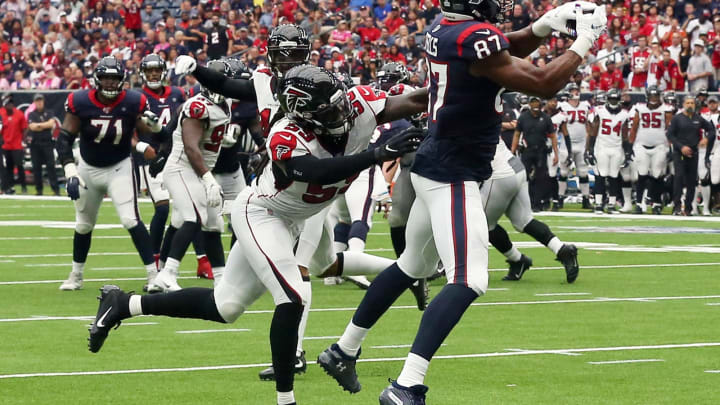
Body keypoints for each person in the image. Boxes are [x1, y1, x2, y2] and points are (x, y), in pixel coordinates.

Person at [317, 1, 605, 403]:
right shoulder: (474, 37)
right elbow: (542, 82)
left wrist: (541, 28)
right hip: (453, 172)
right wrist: (586, 40)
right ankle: (407, 385)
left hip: (436, 162)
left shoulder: (446, 28)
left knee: (411, 266)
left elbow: (498, 55)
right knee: (469, 279)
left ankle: (343, 350)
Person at [86, 65, 427, 405]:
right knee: (292, 297)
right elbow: (316, 171)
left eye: (340, 102)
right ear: (305, 114)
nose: (342, 111)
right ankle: (285, 400)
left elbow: (415, 99)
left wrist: (461, 91)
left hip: (297, 217)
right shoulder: (287, 134)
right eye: (330, 109)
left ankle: (124, 304)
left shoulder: (358, 102)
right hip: (263, 214)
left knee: (225, 306)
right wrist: (375, 154)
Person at [56, 57, 162, 291]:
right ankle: (76, 275)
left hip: (119, 167)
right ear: (97, 79)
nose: (110, 83)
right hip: (87, 167)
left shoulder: (134, 101)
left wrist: (153, 126)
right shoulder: (80, 101)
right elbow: (64, 138)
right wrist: (70, 169)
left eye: (114, 79)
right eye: (106, 78)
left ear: (122, 80)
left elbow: (147, 130)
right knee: (83, 224)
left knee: (130, 219)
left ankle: (154, 276)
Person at [147, 59, 232, 293]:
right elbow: (191, 147)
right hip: (183, 168)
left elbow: (206, 140)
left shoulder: (225, 105)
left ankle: (221, 281)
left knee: (214, 225)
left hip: (200, 170)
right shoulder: (198, 106)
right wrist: (208, 179)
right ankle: (168, 273)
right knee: (193, 218)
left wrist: (223, 139)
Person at [482, 136, 578, 282]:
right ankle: (562, 249)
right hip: (515, 166)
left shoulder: (460, 124)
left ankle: (516, 260)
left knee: (483, 224)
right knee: (523, 220)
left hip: (499, 173)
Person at [667, 94, 716, 215]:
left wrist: (706, 139)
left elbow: (712, 130)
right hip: (680, 153)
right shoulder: (677, 118)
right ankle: (677, 206)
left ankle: (688, 208)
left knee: (691, 182)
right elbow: (670, 135)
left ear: (695, 105)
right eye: (688, 103)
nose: (690, 105)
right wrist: (681, 147)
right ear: (683, 105)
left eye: (692, 103)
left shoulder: (698, 118)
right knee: (678, 178)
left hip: (694, 153)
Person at [630, 86, 674, 214]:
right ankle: (639, 203)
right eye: (652, 96)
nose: (654, 99)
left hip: (660, 145)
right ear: (647, 96)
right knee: (642, 174)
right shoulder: (640, 108)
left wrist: (670, 147)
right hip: (641, 145)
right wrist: (630, 146)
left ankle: (656, 204)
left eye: (656, 96)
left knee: (657, 175)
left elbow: (669, 129)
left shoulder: (666, 109)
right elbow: (634, 127)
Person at [587, 89, 631, 214]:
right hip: (602, 147)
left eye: (615, 99)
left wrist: (627, 151)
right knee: (601, 175)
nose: (613, 101)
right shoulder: (600, 112)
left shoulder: (624, 114)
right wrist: (590, 148)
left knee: (614, 176)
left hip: (617, 148)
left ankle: (611, 204)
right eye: (611, 99)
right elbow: (593, 131)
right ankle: (599, 203)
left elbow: (625, 134)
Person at [511, 95, 557, 211]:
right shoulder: (523, 117)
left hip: (541, 150)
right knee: (524, 177)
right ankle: (527, 202)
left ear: (540, 103)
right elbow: (517, 134)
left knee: (541, 177)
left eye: (537, 102)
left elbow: (553, 136)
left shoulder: (546, 118)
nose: (535, 105)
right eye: (533, 102)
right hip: (527, 150)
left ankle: (538, 202)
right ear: (530, 104)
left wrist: (556, 153)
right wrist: (513, 151)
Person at [558, 82, 593, 208]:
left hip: (582, 143)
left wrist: (589, 145)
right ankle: (560, 199)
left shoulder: (585, 106)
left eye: (576, 90)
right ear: (568, 93)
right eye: (573, 91)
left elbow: (588, 126)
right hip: (566, 144)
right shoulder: (562, 106)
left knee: (583, 172)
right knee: (563, 172)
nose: (576, 93)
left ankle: (586, 199)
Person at [26, 94, 59, 196]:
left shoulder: (49, 112)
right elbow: (32, 127)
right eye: (37, 101)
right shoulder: (32, 114)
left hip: (47, 143)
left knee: (51, 166)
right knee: (36, 167)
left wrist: (39, 125)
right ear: (34, 102)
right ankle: (39, 190)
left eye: (40, 100)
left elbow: (51, 124)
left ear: (43, 101)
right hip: (35, 143)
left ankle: (55, 190)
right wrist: (44, 125)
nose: (39, 102)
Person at [545, 95, 572, 211]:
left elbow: (565, 134)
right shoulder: (540, 114)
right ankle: (543, 201)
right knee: (541, 176)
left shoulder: (561, 116)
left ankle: (555, 201)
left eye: (555, 101)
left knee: (552, 175)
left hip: (553, 148)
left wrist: (569, 151)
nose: (553, 103)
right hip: (540, 148)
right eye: (551, 100)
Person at [0, 93, 27, 194]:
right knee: (8, 167)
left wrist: (23, 140)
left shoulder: (19, 114)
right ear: (4, 105)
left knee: (19, 166)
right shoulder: (1, 113)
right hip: (5, 145)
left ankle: (24, 186)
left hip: (16, 145)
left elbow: (24, 128)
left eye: (11, 104)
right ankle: (10, 187)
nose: (10, 106)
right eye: (8, 104)